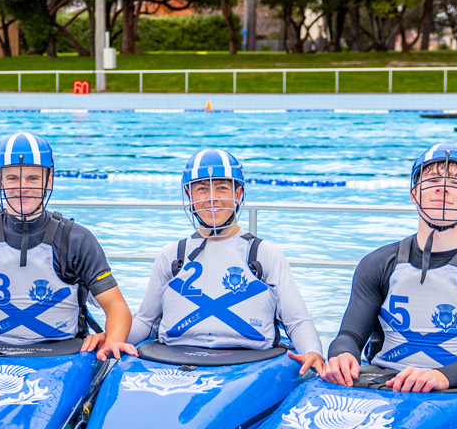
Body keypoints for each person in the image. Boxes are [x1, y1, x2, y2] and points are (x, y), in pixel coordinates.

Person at [318, 143, 457, 392]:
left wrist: (438, 377)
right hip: (385, 380)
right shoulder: (376, 263)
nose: (443, 188)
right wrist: (342, 356)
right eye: (433, 180)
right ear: (413, 193)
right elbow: (349, 335)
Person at [0, 132, 134, 362]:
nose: (22, 187)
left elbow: (115, 305)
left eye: (33, 178)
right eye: (12, 178)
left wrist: (113, 340)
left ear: (49, 180)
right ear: (0, 181)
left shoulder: (77, 240)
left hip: (63, 350)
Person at [128, 149, 323, 370]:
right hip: (173, 356)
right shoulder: (172, 255)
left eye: (222, 188)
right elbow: (146, 321)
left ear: (238, 194)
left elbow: (296, 321)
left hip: (250, 360)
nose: (212, 198)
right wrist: (111, 339)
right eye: (202, 189)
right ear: (189, 196)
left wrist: (312, 352)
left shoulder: (263, 254)